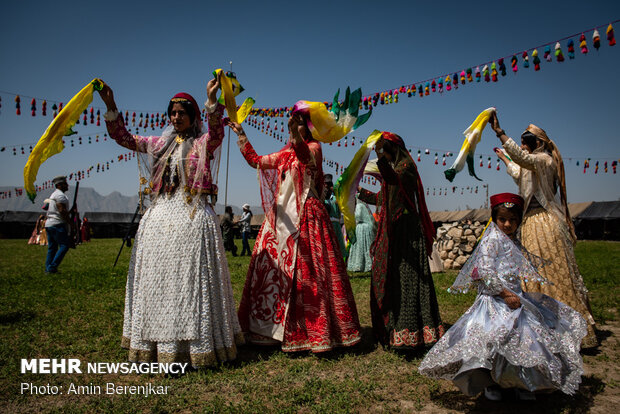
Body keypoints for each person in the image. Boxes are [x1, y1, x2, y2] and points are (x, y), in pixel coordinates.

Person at [97, 72, 244, 367]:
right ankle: (155, 345)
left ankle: (198, 346)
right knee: (158, 280)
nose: (176, 117)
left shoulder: (203, 143)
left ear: (192, 116)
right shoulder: (156, 143)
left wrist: (212, 100)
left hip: (192, 215)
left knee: (191, 283)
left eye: (182, 113)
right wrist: (111, 105)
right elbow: (123, 137)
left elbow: (218, 133)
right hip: (160, 216)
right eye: (172, 113)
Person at [419, 193, 587, 400]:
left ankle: (520, 382)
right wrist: (505, 294)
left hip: (516, 299)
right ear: (494, 219)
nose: (507, 224)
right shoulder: (491, 240)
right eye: (502, 219)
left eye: (513, 220)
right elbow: (484, 273)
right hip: (495, 301)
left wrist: (515, 295)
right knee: (493, 342)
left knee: (523, 340)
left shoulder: (513, 240)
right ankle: (491, 384)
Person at [226, 109, 361, 353]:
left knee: (309, 273)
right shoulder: (283, 154)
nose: (293, 127)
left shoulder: (315, 149)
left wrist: (296, 137)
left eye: (299, 123)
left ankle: (312, 331)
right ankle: (270, 331)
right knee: (271, 270)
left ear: (308, 128)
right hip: (281, 219)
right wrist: (242, 135)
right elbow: (256, 161)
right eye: (292, 123)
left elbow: (305, 156)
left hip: (307, 215)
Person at [491, 113, 597, 348]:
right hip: (529, 222)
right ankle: (537, 326)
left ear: (537, 144)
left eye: (524, 144)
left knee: (551, 274)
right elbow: (519, 173)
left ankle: (566, 329)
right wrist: (506, 160)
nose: (521, 148)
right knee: (532, 273)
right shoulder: (533, 163)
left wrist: (500, 133)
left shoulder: (545, 160)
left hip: (544, 223)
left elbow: (524, 161)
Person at [358, 132, 444, 349]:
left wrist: (379, 159)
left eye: (385, 152)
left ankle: (411, 331)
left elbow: (393, 180)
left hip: (406, 231)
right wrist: (359, 192)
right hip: (395, 230)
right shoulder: (396, 169)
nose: (384, 157)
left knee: (407, 279)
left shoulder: (405, 168)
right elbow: (383, 198)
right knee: (395, 278)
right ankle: (394, 328)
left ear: (393, 149)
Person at [44, 176, 74, 273]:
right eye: (65, 183)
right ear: (59, 185)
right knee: (64, 245)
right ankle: (52, 267)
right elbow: (61, 210)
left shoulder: (54, 195)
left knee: (52, 248)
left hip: (50, 223)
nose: (67, 185)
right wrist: (70, 222)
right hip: (57, 223)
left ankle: (48, 267)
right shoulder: (60, 196)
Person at [346, 199, 376, 273]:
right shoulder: (365, 206)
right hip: (365, 227)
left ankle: (359, 264)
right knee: (365, 247)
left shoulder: (359, 206)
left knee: (360, 246)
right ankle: (367, 264)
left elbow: (358, 216)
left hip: (361, 228)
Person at [323, 174, 347, 259]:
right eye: (325, 184)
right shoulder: (322, 197)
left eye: (328, 184)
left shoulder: (335, 197)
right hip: (327, 224)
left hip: (336, 224)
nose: (326, 186)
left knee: (337, 244)